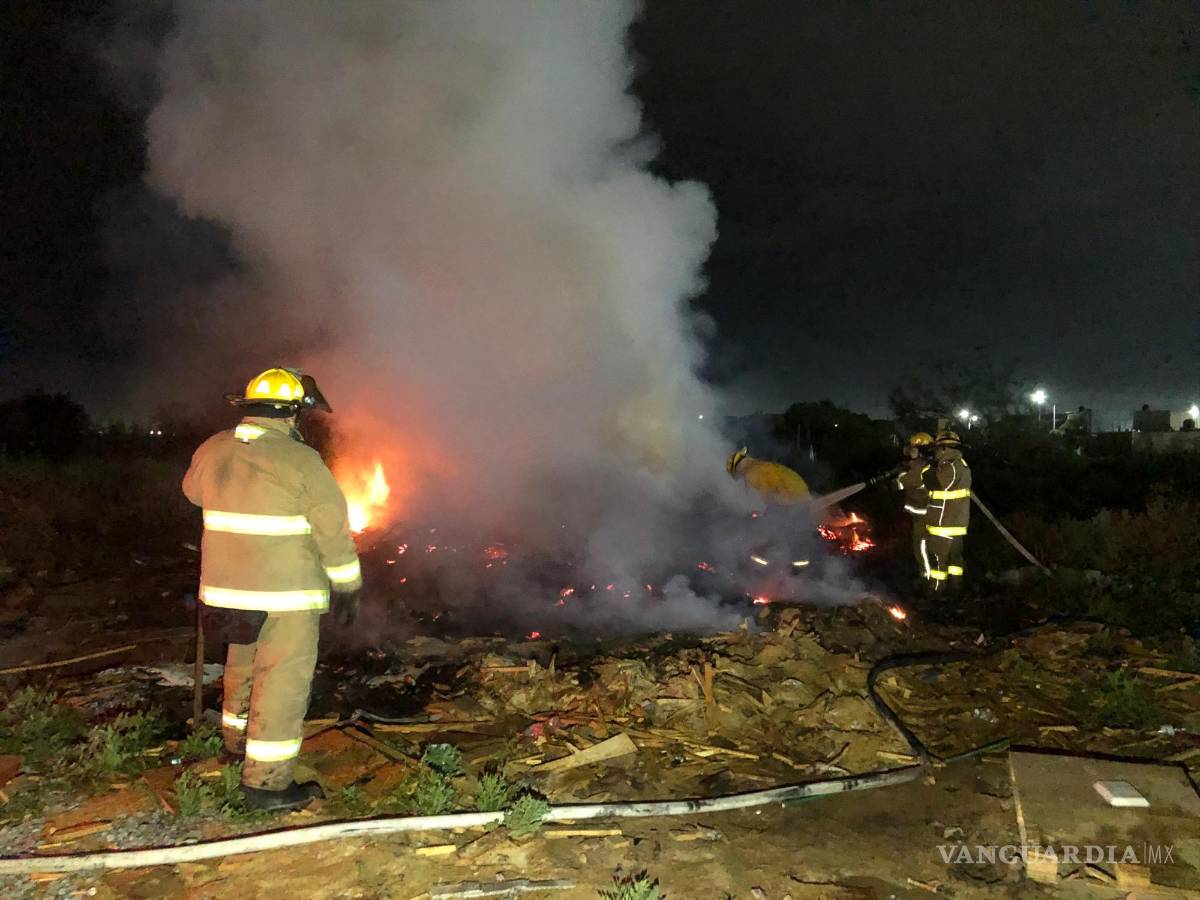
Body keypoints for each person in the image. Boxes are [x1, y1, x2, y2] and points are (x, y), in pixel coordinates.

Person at [183, 367, 362, 811]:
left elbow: (192, 493)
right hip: (286, 597)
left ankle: (235, 745)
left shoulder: (212, 448)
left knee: (240, 666)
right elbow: (333, 532)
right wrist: (348, 585)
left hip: (224, 592)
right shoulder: (300, 461)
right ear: (292, 414)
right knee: (281, 681)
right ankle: (267, 784)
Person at [923, 430, 971, 591]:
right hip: (955, 521)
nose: (935, 452)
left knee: (938, 558)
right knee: (955, 559)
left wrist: (927, 468)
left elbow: (935, 483)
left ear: (944, 449)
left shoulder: (950, 465)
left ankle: (937, 589)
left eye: (937, 449)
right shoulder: (959, 463)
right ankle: (956, 588)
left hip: (944, 522)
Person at [894, 432, 933, 580]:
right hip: (925, 513)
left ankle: (927, 576)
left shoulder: (920, 469)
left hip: (923, 514)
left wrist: (899, 474)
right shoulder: (926, 465)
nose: (909, 451)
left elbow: (899, 484)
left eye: (913, 449)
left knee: (921, 546)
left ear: (920, 451)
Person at [725, 447, 810, 505]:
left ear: (738, 468)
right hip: (804, 497)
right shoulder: (765, 466)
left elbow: (764, 499)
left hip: (792, 503)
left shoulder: (752, 474)